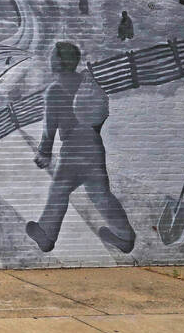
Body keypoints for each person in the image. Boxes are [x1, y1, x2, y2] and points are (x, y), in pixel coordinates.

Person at [26, 42, 135, 253]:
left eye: (53, 55)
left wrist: (44, 152)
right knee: (101, 194)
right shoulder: (86, 83)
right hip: (94, 144)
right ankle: (124, 236)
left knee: (59, 190)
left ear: (60, 60)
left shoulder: (55, 90)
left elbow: (50, 125)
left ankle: (46, 235)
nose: (50, 59)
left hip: (74, 148)